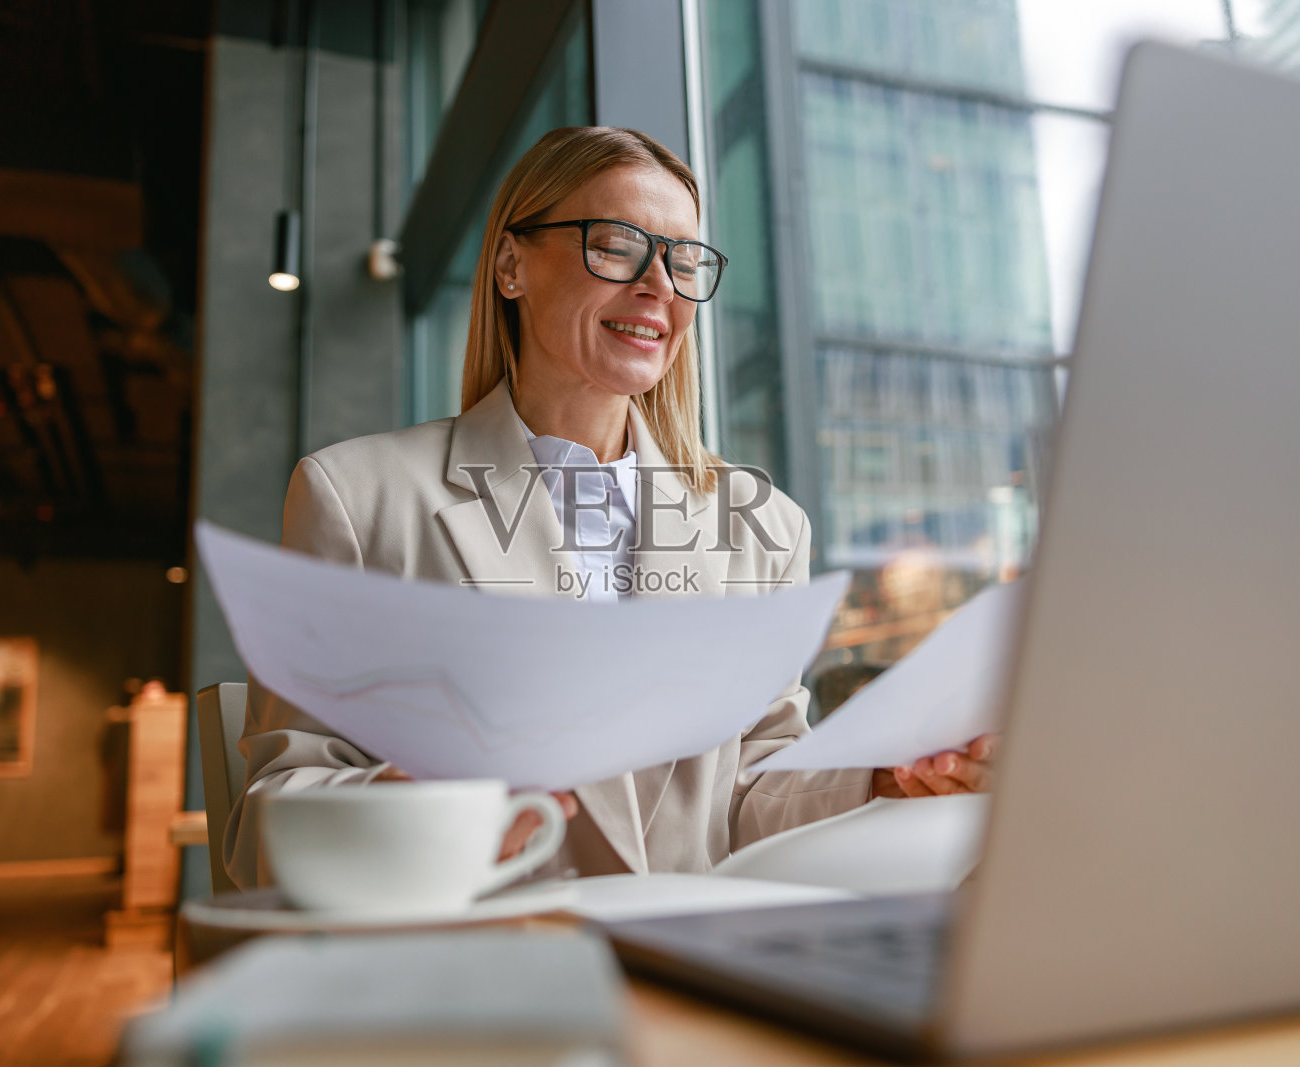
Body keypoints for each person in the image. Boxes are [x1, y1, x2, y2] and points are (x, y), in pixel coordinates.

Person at [222, 127, 995, 890]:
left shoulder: (762, 525)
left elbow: (749, 795)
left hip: (690, 967)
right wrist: (409, 807)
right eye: (619, 245)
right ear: (510, 264)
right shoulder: (358, 498)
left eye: (683, 259)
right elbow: (269, 818)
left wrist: (883, 776)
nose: (659, 285)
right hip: (484, 974)